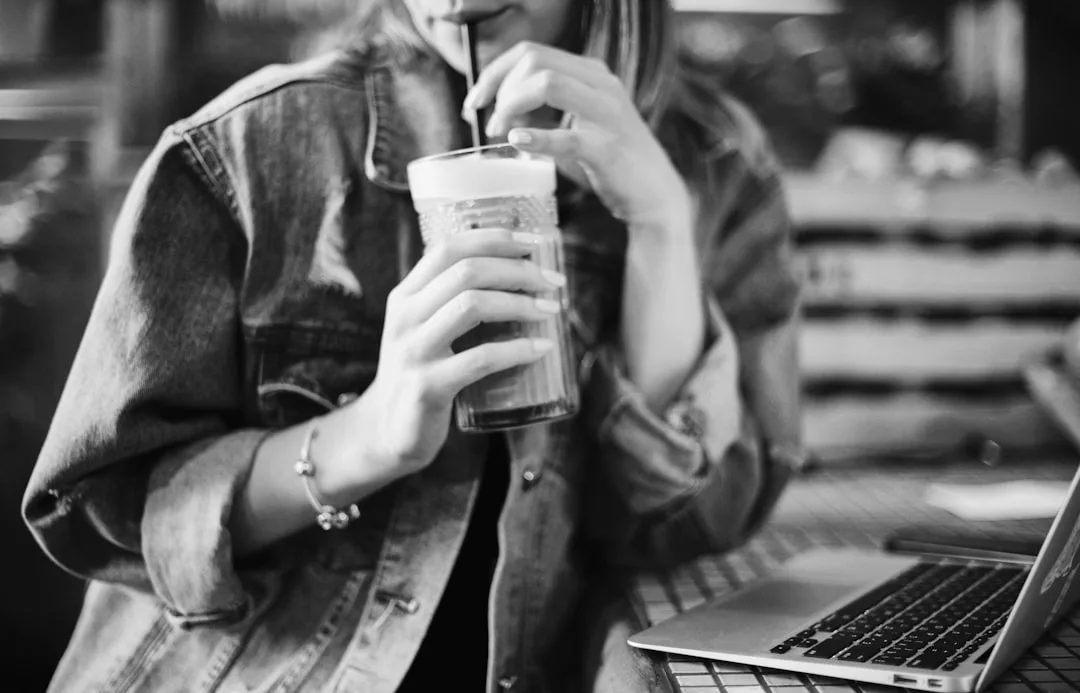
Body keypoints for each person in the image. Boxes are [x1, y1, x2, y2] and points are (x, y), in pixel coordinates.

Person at [22, 1, 802, 691]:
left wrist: (661, 220)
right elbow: (101, 511)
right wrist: (370, 435)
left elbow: (694, 530)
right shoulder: (246, 147)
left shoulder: (717, 169)